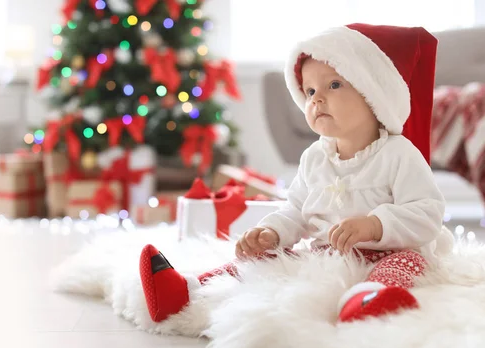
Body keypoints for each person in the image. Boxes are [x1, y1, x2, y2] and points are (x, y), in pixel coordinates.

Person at [139, 23, 450, 324]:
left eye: (334, 85)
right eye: (311, 90)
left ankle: (371, 299)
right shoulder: (315, 157)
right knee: (266, 260)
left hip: (387, 253)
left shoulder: (398, 154)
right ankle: (189, 289)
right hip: (327, 257)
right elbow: (296, 210)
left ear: (373, 94)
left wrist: (375, 225)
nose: (316, 98)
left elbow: (427, 214)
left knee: (405, 264)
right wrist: (271, 232)